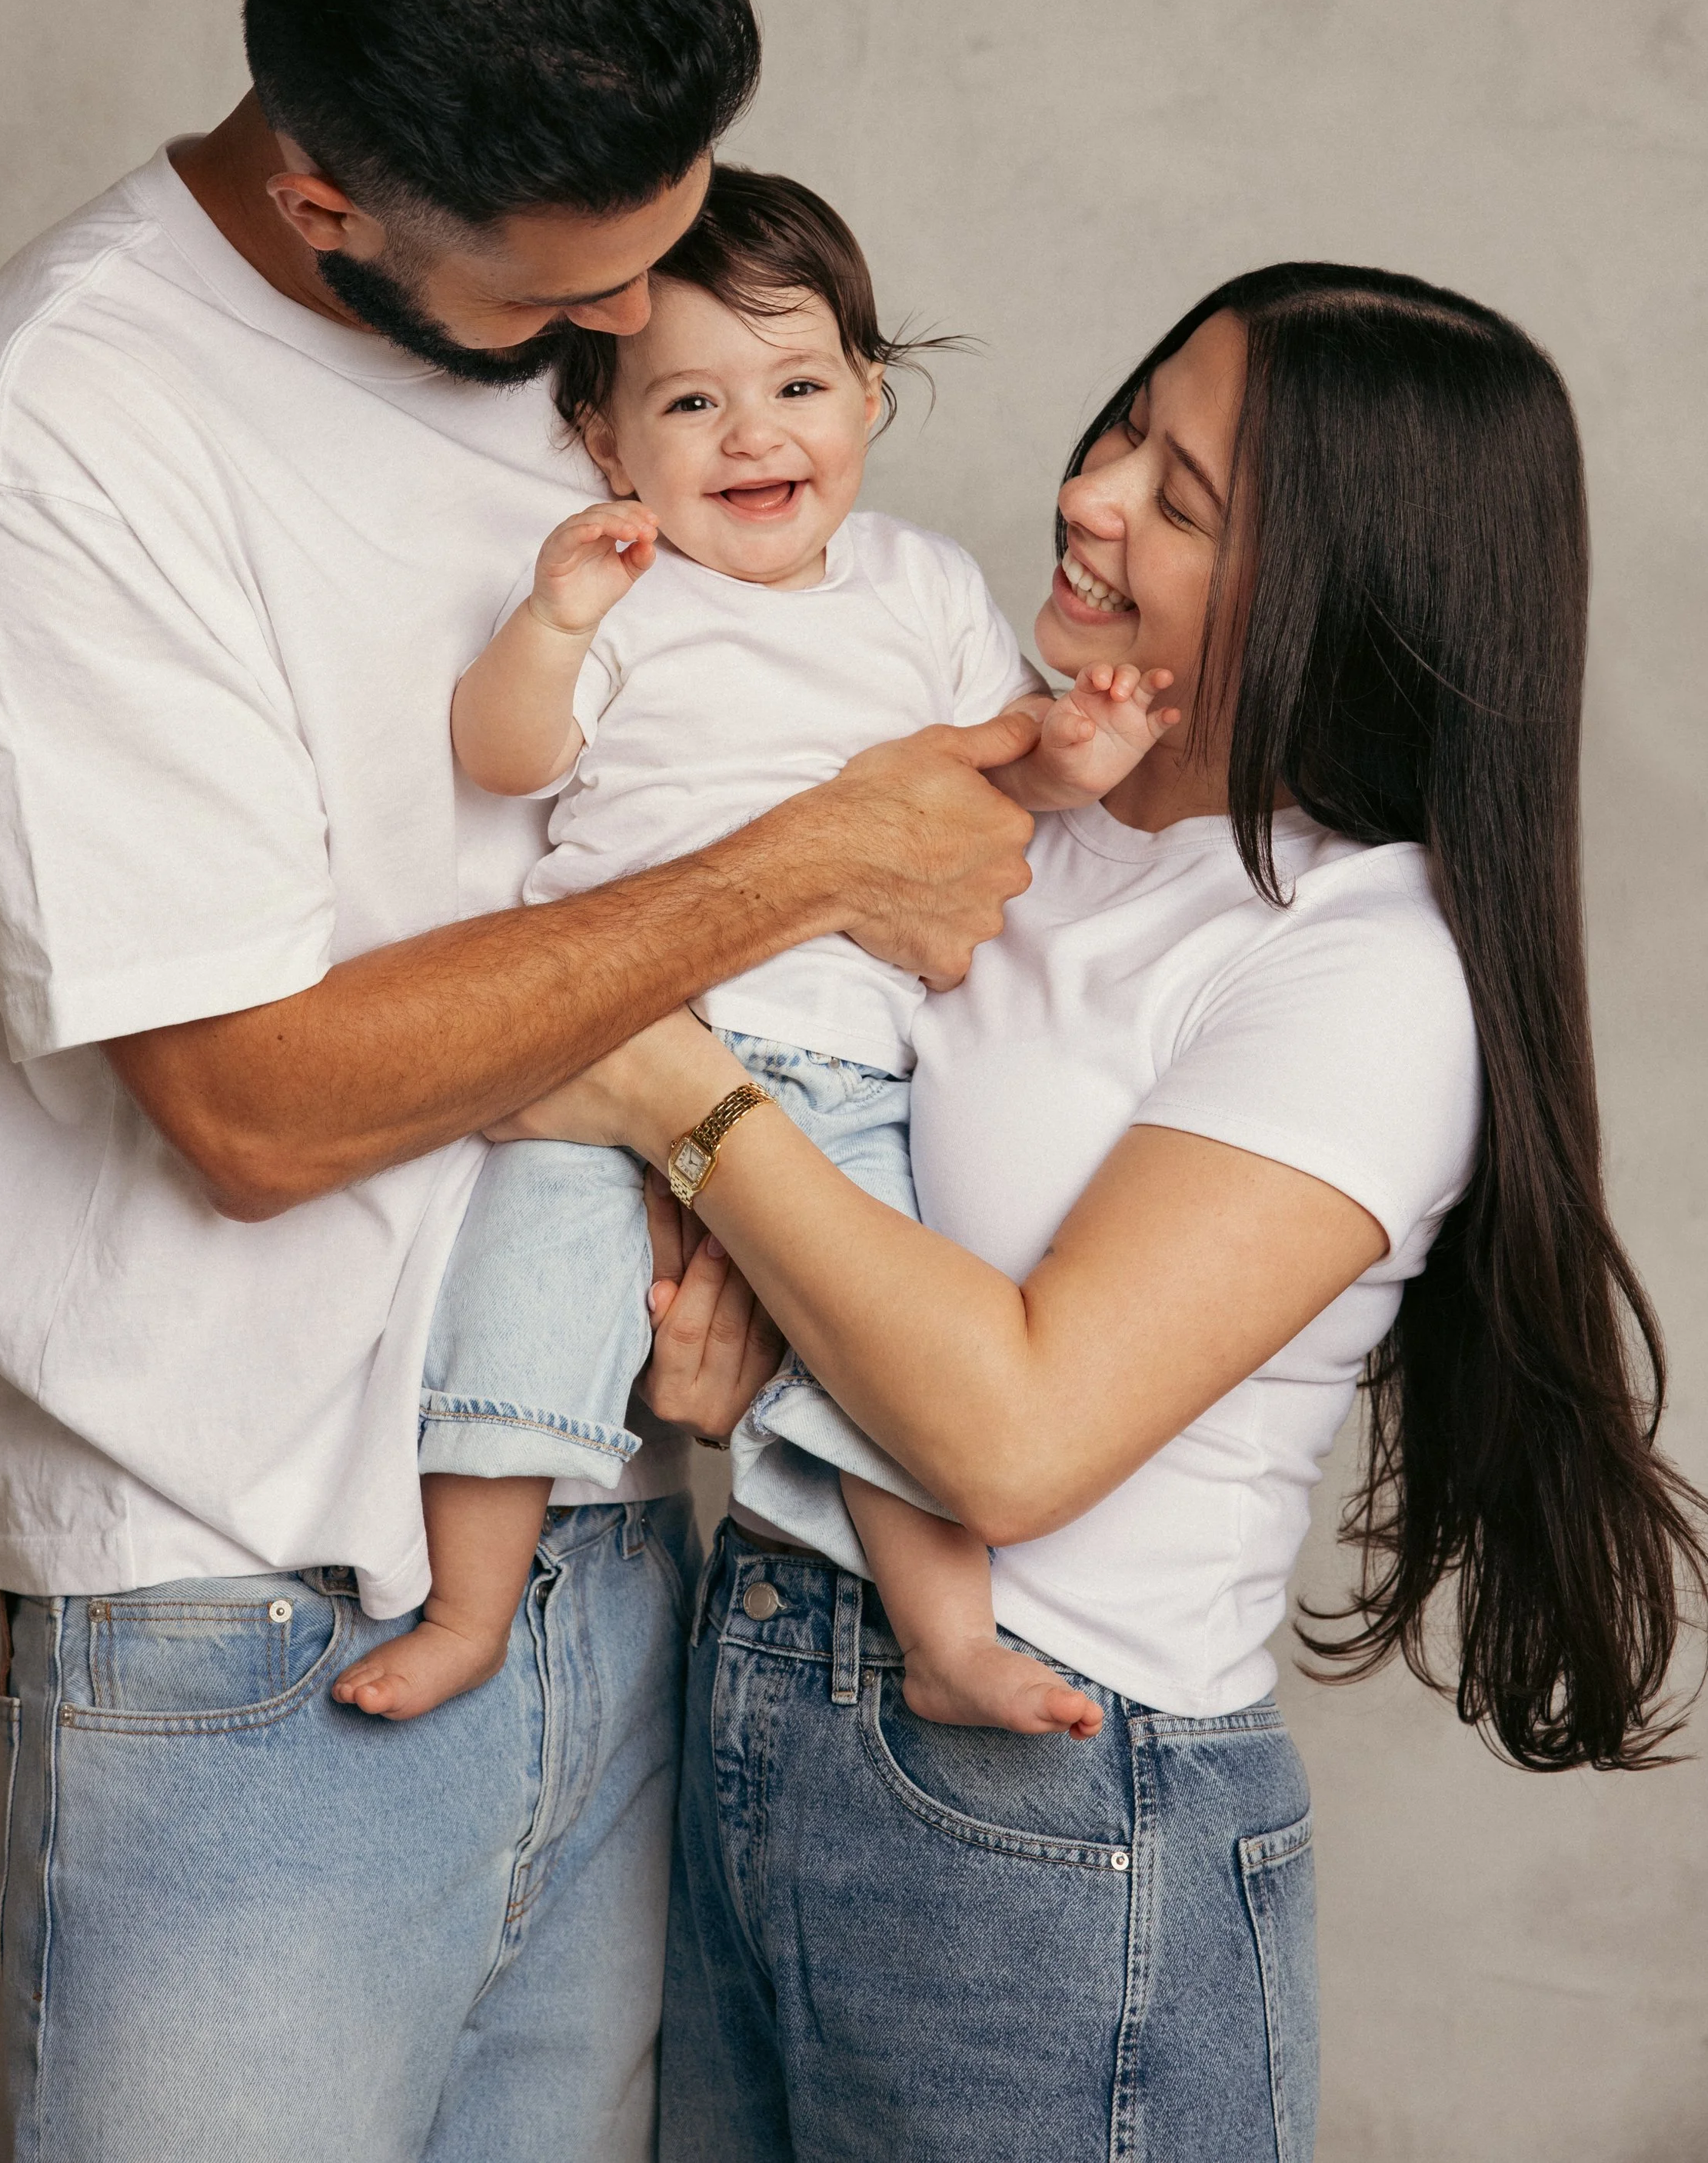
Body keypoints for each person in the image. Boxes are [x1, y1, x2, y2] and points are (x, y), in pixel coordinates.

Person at [0, 0, 1040, 2163]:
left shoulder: (574, 348)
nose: (634, 334)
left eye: (673, 252)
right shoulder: (64, 436)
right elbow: (262, 1100)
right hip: (249, 1615)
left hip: (610, 1523)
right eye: (573, 296)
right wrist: (820, 863)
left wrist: (714, 1225)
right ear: (321, 200)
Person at [498, 262, 1708, 2163]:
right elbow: (841, 1195)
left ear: (1342, 591)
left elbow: (1011, 1434)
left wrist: (667, 1095)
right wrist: (741, 1313)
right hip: (766, 1699)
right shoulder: (1008, 803)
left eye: (1183, 496)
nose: (1090, 494)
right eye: (1125, 424)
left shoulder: (1359, 965)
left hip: (1052, 1811)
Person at [331, 165, 1174, 1738]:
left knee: (892, 1369)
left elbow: (994, 783)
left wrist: (1080, 757)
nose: (752, 435)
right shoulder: (627, 591)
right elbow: (507, 757)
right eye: (691, 404)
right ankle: (464, 1611)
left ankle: (945, 1640)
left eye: (797, 385)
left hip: (843, 1066)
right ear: (604, 440)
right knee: (512, 1310)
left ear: (870, 394)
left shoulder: (918, 584)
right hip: (612, 1050)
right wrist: (554, 623)